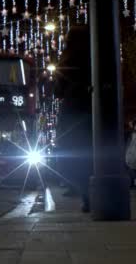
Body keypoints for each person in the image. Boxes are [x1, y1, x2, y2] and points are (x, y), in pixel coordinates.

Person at [55, 25, 93, 213]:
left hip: (72, 112)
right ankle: (91, 195)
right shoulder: (97, 54)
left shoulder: (67, 59)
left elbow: (57, 91)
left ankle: (85, 194)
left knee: (74, 154)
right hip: (94, 109)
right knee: (94, 153)